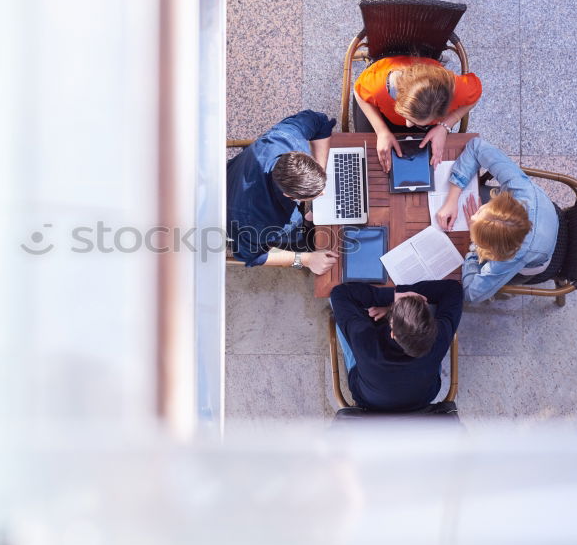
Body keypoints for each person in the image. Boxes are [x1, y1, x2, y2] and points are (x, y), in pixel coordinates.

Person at [435, 138, 559, 303]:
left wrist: (474, 245)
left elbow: (471, 294)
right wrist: (452, 198)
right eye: (482, 210)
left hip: (534, 261)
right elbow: (476, 146)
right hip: (547, 221)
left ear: (496, 252)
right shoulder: (521, 188)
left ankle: (502, 293)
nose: (471, 217)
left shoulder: (513, 255)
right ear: (503, 204)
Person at [226, 110, 338, 274]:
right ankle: (307, 244)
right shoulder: (258, 223)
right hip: (229, 210)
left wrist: (320, 171)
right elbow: (251, 257)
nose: (322, 193)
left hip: (229, 176)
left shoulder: (286, 137)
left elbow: (320, 122)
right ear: (290, 196)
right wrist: (306, 259)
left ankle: (309, 217)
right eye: (316, 195)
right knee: (308, 244)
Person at [330, 280, 462, 412]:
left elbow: (339, 294)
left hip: (369, 401)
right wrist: (397, 306)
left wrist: (395, 295)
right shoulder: (440, 337)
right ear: (430, 323)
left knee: (340, 311)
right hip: (419, 400)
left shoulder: (365, 339)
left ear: (392, 333)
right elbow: (453, 289)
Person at [353, 56, 482, 172]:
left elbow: (475, 96)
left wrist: (444, 126)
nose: (408, 125)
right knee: (368, 156)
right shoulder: (378, 85)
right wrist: (381, 131)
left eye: (415, 122)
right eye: (409, 118)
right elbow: (358, 92)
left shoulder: (459, 89)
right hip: (383, 111)